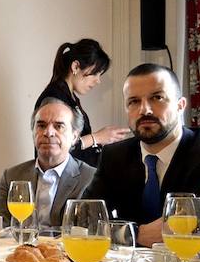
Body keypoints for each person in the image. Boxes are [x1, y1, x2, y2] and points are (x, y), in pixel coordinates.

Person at [82, 63, 200, 247]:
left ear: (180, 105)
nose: (144, 110)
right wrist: (135, 234)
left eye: (157, 97)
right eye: (134, 101)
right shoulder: (115, 155)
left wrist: (117, 233)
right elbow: (81, 221)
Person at [0, 98, 96, 228]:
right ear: (33, 133)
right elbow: (0, 227)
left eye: (59, 126)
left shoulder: (90, 178)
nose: (48, 132)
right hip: (19, 247)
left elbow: (90, 232)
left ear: (74, 137)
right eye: (41, 125)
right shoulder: (12, 176)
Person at [35, 39, 130, 167]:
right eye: (95, 73)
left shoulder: (69, 97)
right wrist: (97, 137)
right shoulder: (54, 100)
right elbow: (54, 145)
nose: (98, 81)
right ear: (75, 67)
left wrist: (101, 140)